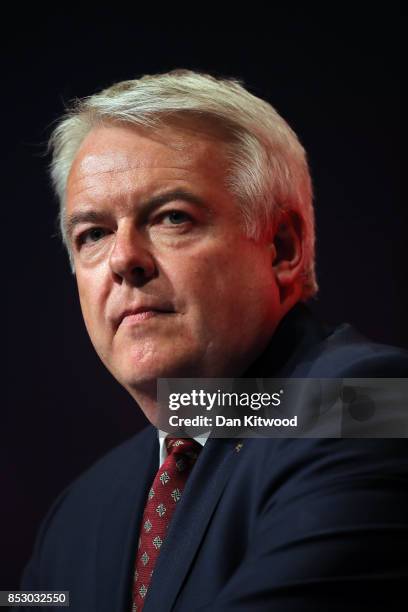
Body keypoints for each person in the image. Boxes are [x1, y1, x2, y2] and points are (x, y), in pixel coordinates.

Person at [20, 70, 407, 611]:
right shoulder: (82, 509)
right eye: (94, 234)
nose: (124, 260)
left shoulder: (367, 406)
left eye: (172, 217)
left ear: (281, 247)